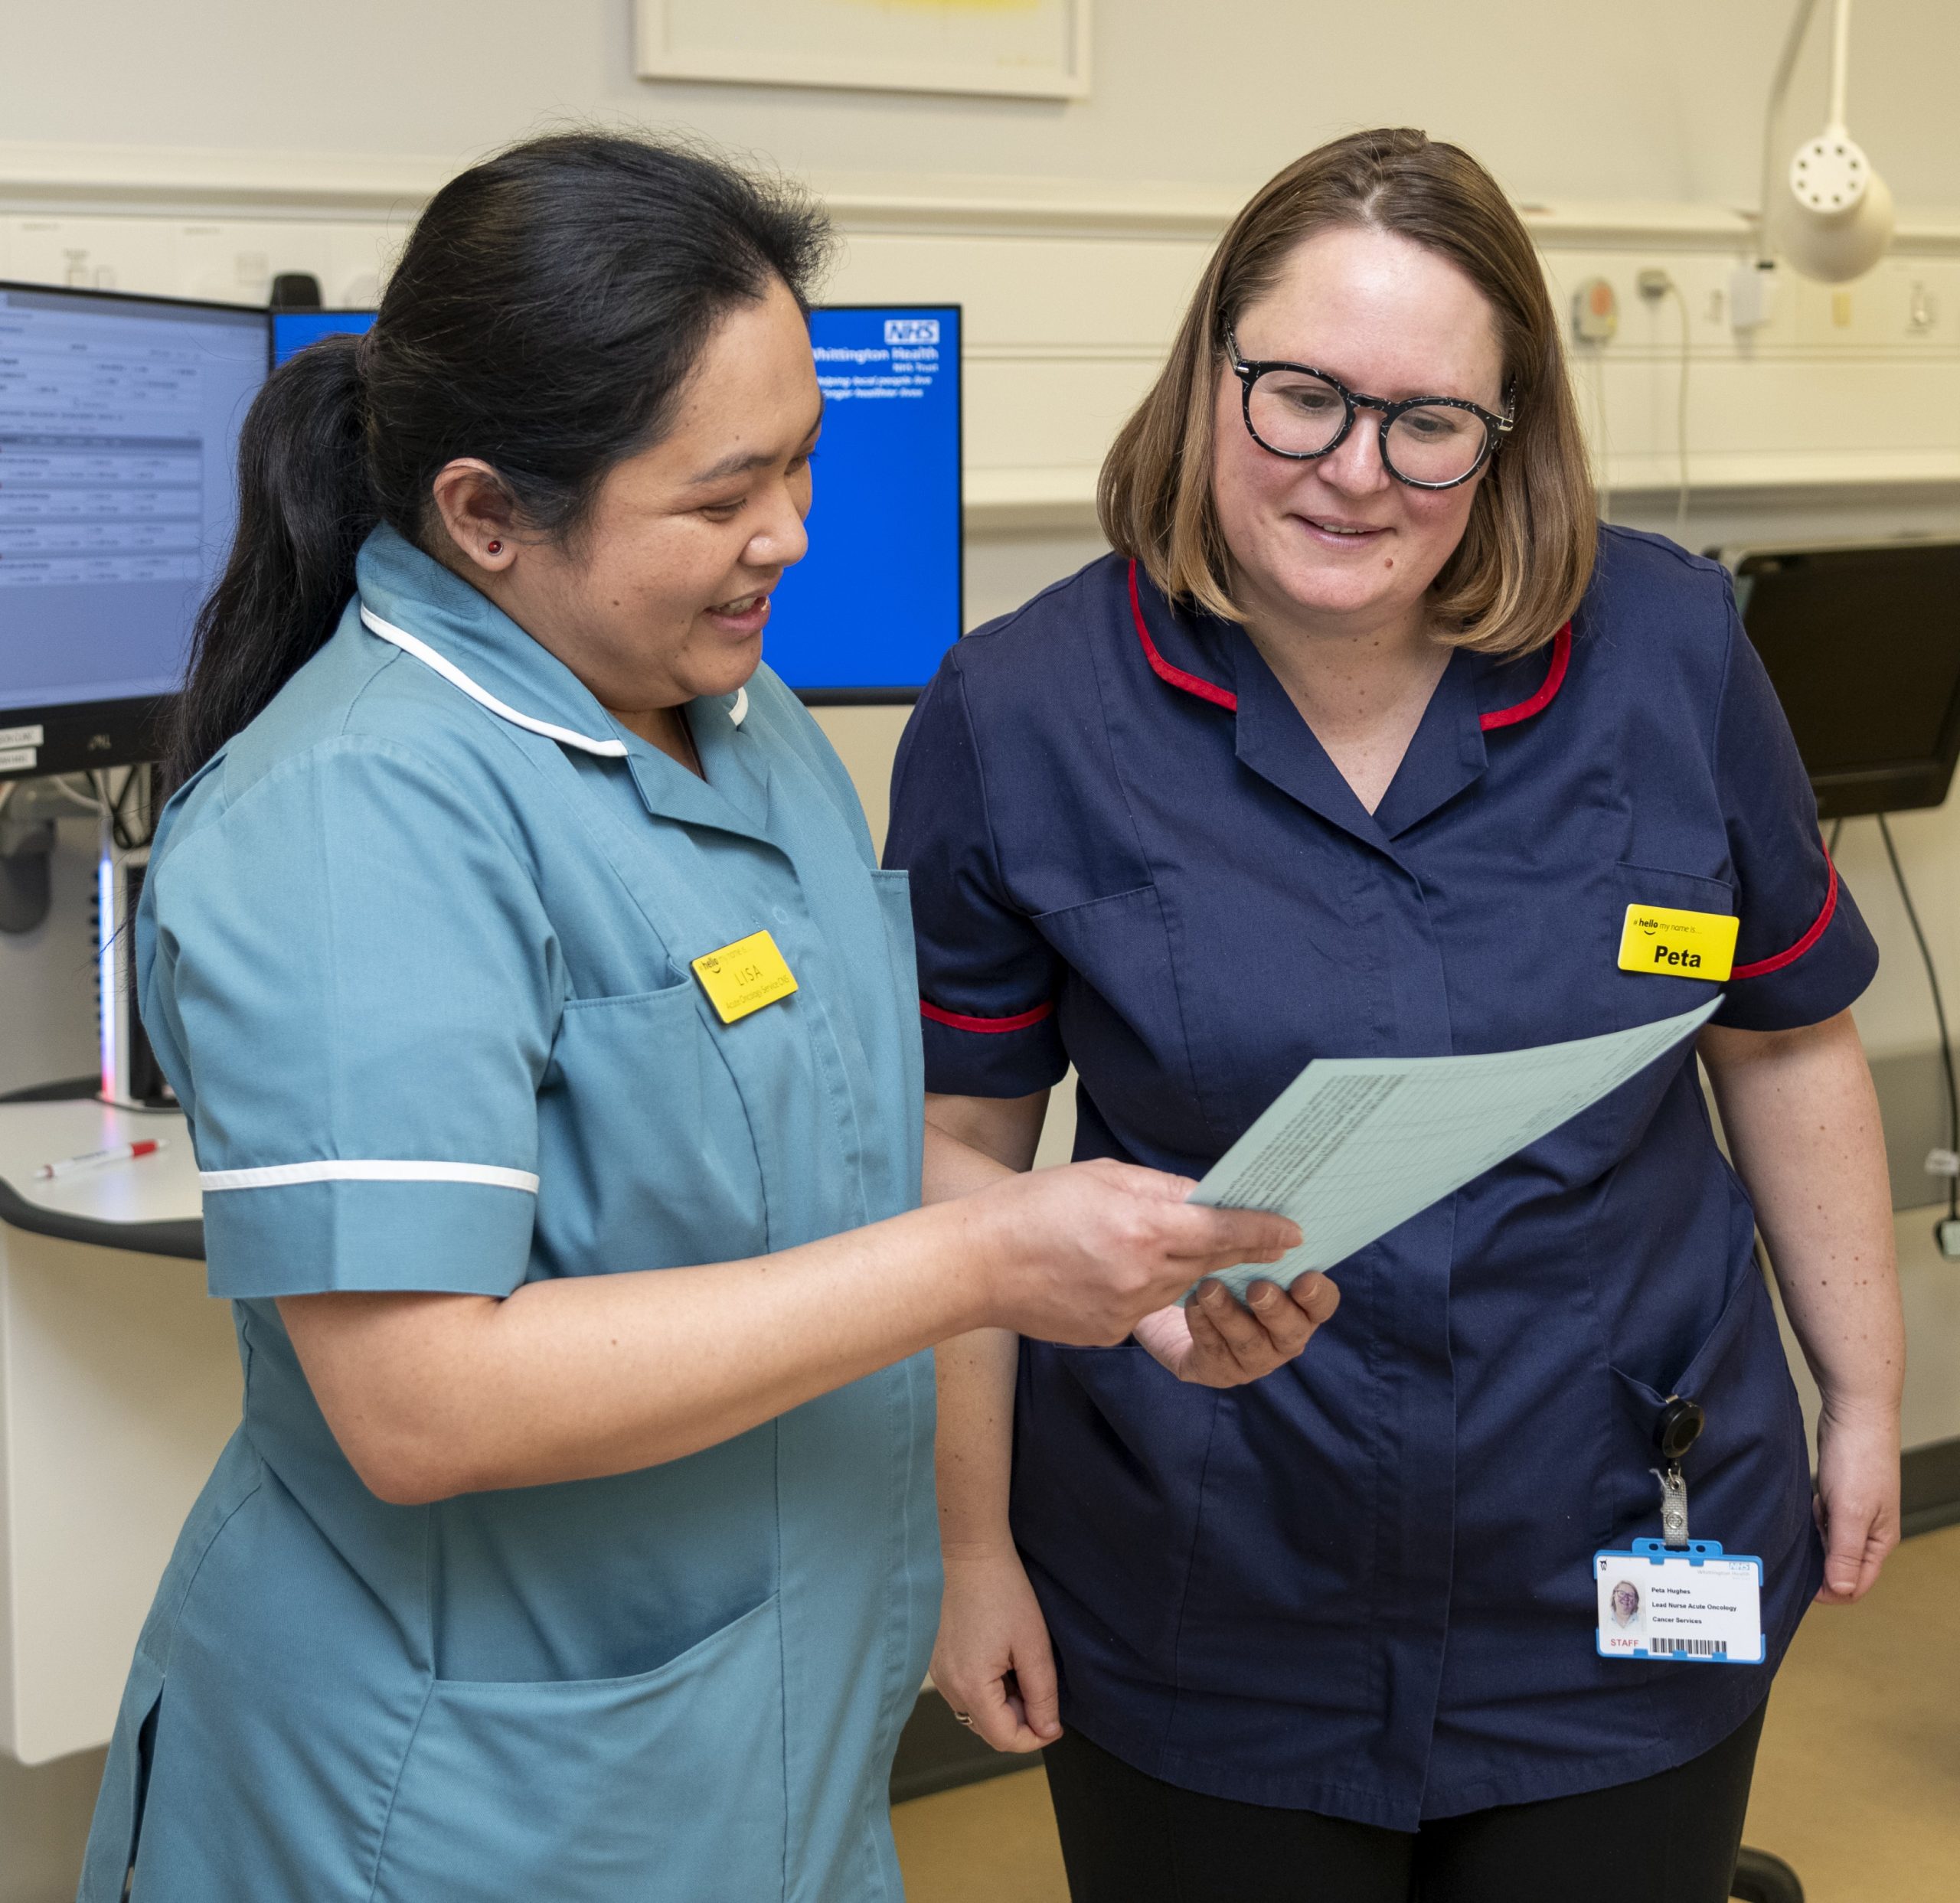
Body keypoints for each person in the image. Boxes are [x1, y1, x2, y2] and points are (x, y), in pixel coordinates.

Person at [77, 133, 1311, 1903]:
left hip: (756, 1767)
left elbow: (810, 1149)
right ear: (486, 514)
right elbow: (423, 1401)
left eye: (804, 463)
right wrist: (979, 1269)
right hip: (458, 1809)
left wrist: (1124, 1258)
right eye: (725, 493)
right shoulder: (359, 817)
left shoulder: (730, 712)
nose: (790, 538)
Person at [887, 127, 1905, 1903]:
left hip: (1613, 1513)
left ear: (1507, 440)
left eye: (1428, 422)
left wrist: (1865, 1394)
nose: (1353, 471)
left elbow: (1783, 1030)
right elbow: (954, 1143)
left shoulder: (1664, 651)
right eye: (1297, 396)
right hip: (1208, 1566)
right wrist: (964, 1542)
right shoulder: (1020, 710)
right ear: (1209, 374)